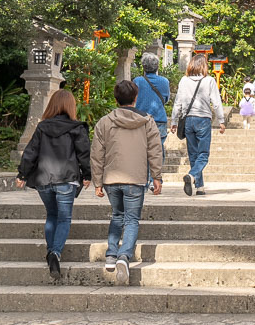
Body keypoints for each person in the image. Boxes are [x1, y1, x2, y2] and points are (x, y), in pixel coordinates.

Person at [91, 79, 164, 287]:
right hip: (136, 178)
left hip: (111, 179)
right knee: (131, 220)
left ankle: (111, 255)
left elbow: (97, 154)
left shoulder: (104, 122)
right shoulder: (147, 121)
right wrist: (156, 176)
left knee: (117, 216)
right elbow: (155, 150)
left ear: (116, 99)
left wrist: (97, 181)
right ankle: (124, 256)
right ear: (135, 98)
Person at [16, 89, 91, 282]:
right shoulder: (77, 128)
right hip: (67, 179)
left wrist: (22, 173)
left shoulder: (42, 127)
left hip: (44, 180)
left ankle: (51, 253)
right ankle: (55, 253)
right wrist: (88, 175)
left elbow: (31, 152)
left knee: (52, 215)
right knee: (64, 219)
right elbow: (84, 154)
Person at [170, 54, 226, 197]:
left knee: (193, 154)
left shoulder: (184, 80)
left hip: (188, 120)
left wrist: (174, 121)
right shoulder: (209, 81)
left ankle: (199, 186)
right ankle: (192, 175)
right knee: (203, 154)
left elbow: (178, 102)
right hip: (203, 120)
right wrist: (221, 120)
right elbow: (216, 101)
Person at [132, 53, 170, 161]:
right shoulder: (165, 81)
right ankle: (155, 177)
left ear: (143, 66)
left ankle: (145, 176)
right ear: (157, 66)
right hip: (159, 120)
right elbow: (166, 99)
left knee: (142, 152)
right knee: (157, 151)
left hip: (141, 120)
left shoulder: (137, 81)